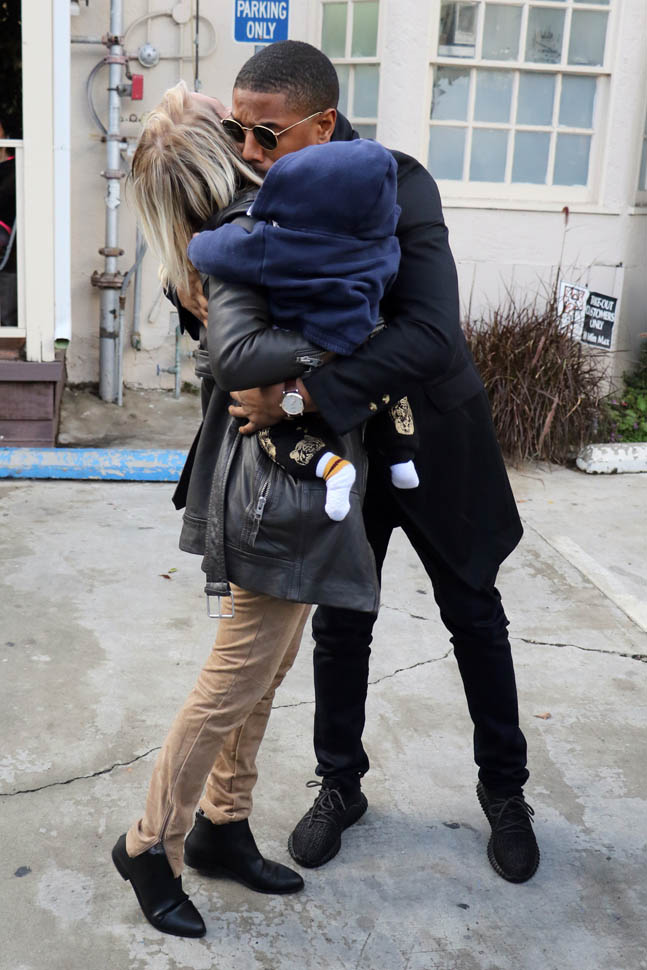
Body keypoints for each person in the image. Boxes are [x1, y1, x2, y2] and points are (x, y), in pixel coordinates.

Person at [175, 41, 540, 885]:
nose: (249, 152)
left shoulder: (396, 182)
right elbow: (236, 311)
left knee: (473, 616)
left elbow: (429, 333)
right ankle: (340, 783)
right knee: (340, 621)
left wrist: (299, 397)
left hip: (432, 436)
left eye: (266, 135)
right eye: (237, 132)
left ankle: (505, 793)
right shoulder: (255, 193)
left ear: (323, 122)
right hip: (343, 455)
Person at [112, 82, 379, 938]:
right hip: (272, 495)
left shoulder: (248, 235)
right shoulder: (240, 243)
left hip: (282, 486)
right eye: (233, 130)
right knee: (230, 683)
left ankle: (223, 823)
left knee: (265, 671)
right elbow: (237, 359)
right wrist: (339, 349)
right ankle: (150, 844)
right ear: (217, 158)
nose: (251, 139)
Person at [187, 137, 419, 522]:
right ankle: (402, 456)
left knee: (265, 427)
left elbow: (224, 251)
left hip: (314, 338)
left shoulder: (284, 245)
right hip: (366, 333)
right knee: (387, 389)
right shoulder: (382, 242)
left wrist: (195, 247)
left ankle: (330, 468)